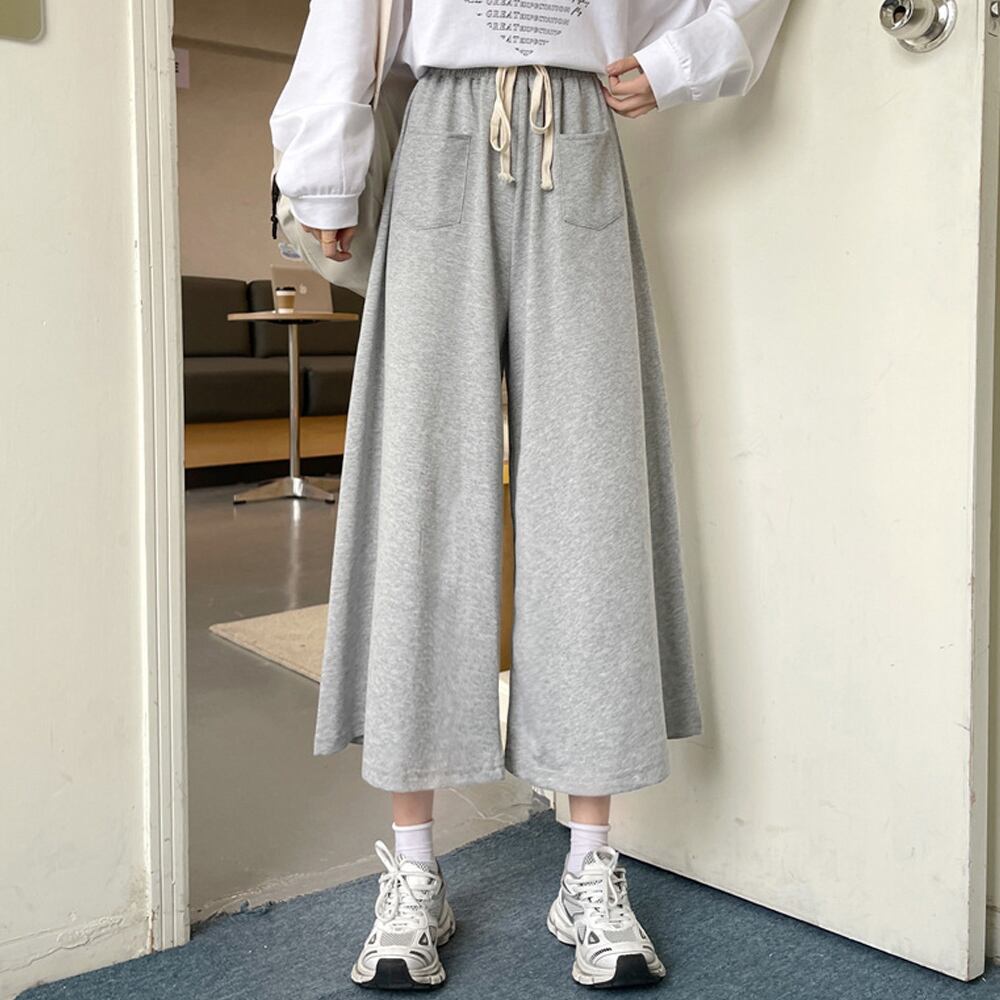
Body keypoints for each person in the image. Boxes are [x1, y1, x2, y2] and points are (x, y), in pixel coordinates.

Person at [270, 0, 790, 989]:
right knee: (420, 496)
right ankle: (414, 870)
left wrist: (683, 59)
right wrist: (323, 167)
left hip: (579, 127)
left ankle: (589, 863)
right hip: (439, 127)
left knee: (592, 501)